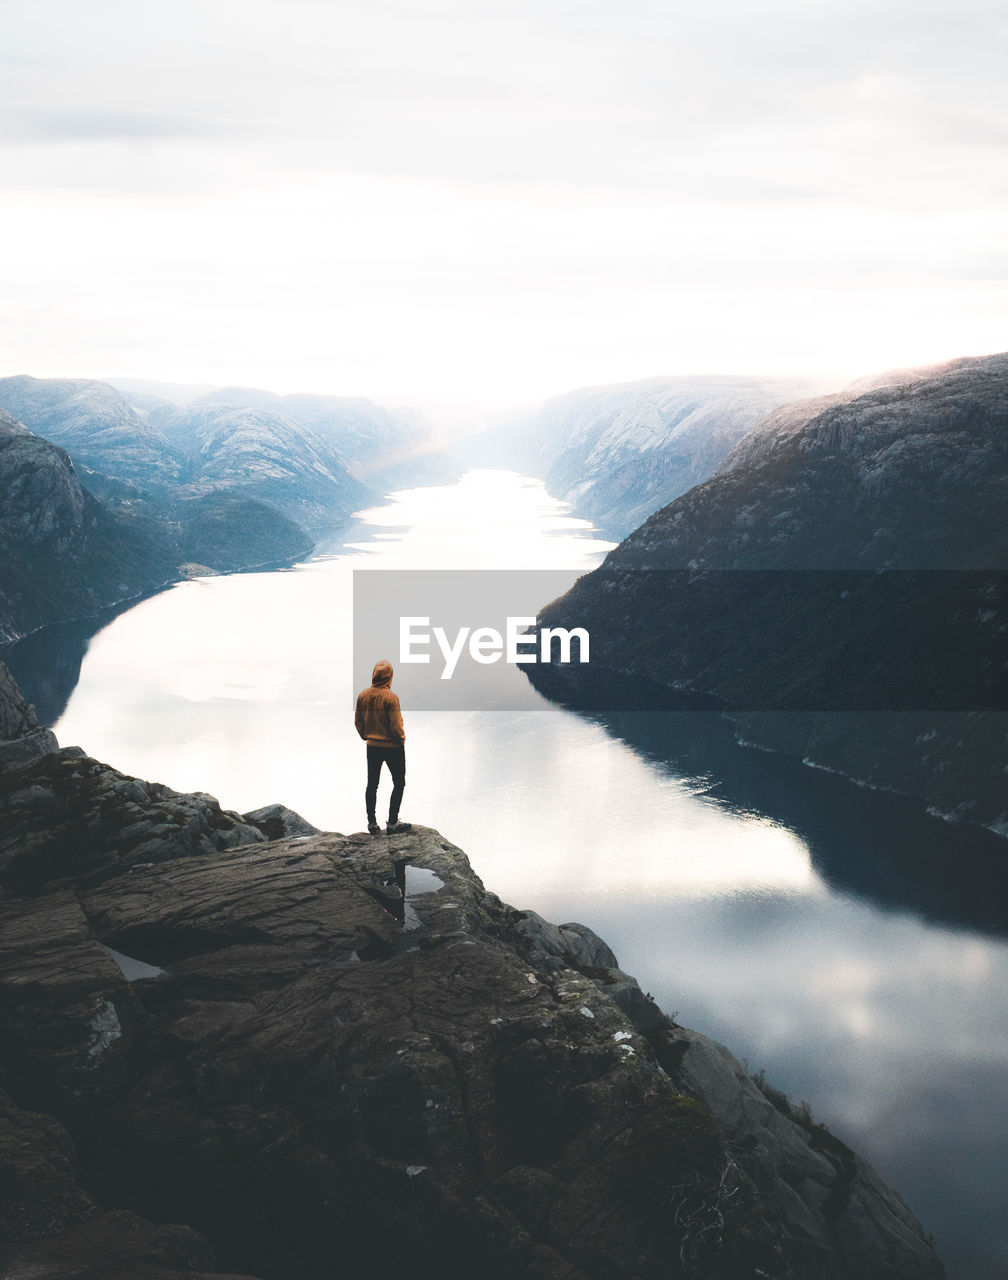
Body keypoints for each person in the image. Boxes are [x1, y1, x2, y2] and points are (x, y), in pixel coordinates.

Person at [354, 659, 412, 835]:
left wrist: (367, 736)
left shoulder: (363, 695)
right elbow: (395, 725)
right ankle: (392, 823)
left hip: (372, 746)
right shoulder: (391, 698)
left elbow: (358, 722)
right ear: (389, 677)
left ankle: (372, 823)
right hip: (393, 747)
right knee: (399, 783)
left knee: (372, 784)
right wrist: (401, 739)